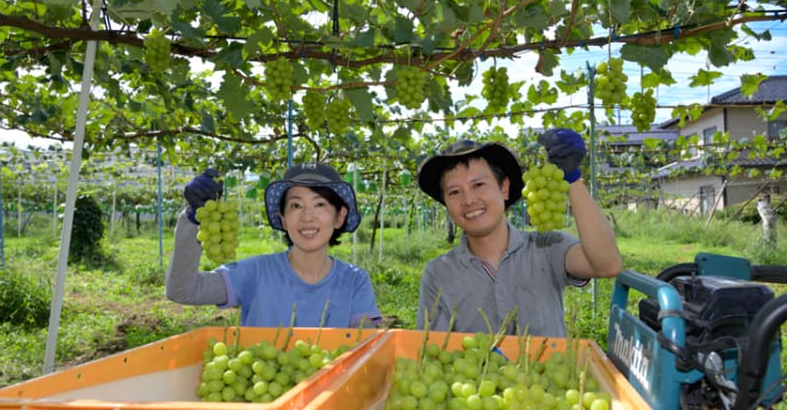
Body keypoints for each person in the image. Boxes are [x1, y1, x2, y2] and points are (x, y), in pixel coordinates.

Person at [415, 129, 622, 337]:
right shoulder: (438, 274)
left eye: (478, 184)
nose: (468, 200)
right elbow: (432, 349)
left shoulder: (547, 247)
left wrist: (573, 180)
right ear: (446, 204)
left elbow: (607, 265)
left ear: (504, 188)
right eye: (454, 192)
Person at [166, 162, 382, 328]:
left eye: (320, 204)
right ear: (283, 219)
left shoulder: (355, 281)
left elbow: (364, 348)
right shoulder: (255, 272)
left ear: (339, 217)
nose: (308, 216)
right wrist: (191, 220)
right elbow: (182, 291)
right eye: (296, 205)